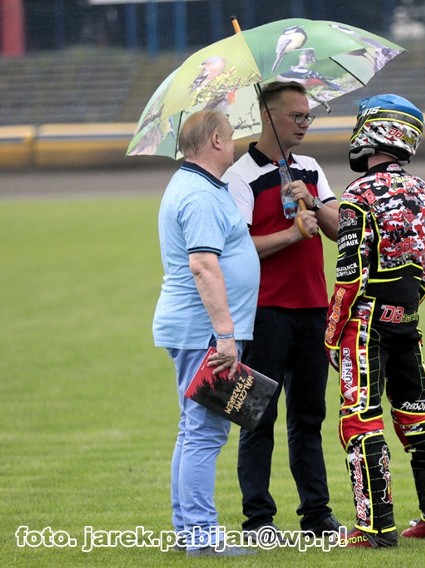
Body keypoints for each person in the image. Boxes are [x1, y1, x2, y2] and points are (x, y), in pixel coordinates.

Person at [325, 94, 425, 548]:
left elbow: (349, 278)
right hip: (407, 320)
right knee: (418, 415)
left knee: (359, 422)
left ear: (372, 132)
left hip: (362, 325)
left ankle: (376, 527)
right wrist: (404, 309)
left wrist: (332, 335)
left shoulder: (357, 195)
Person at [222, 81, 341, 541]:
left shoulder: (309, 168)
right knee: (257, 419)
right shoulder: (240, 177)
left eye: (308, 115)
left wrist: (311, 202)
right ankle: (258, 520)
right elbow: (237, 249)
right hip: (264, 314)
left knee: (309, 418)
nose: (305, 123)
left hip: (314, 310)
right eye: (297, 116)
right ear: (269, 117)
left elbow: (338, 228)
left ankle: (316, 515)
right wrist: (292, 234)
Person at [152, 110, 259, 557]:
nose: (234, 144)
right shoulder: (198, 194)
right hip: (204, 333)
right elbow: (203, 264)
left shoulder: (199, 186)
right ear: (215, 140)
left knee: (193, 429)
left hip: (196, 329)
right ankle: (200, 535)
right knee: (205, 433)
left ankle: (188, 530)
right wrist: (226, 335)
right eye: (231, 136)